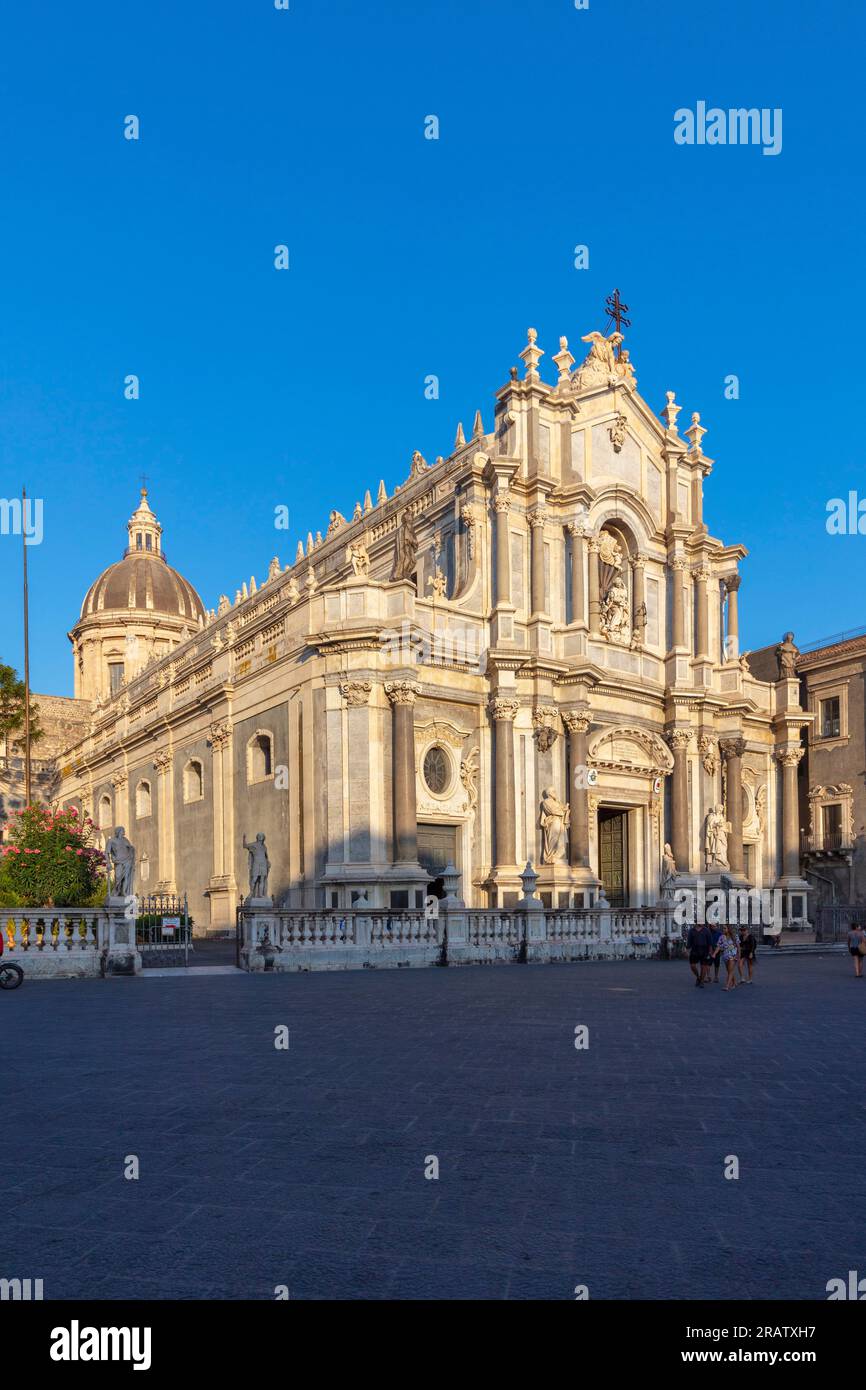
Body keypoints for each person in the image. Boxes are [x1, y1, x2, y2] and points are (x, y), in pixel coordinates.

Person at [686, 922, 712, 988]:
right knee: (692, 966)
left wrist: (710, 952)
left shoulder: (706, 930)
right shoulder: (691, 931)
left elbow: (710, 943)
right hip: (694, 950)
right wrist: (687, 951)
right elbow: (689, 942)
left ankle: (702, 981)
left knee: (703, 966)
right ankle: (698, 977)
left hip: (704, 950)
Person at [721, 925, 739, 992]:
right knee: (729, 971)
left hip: (733, 956)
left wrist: (738, 955)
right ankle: (734, 983)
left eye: (725, 928)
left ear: (728, 929)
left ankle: (727, 986)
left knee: (730, 971)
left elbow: (738, 947)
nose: (723, 929)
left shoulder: (735, 936)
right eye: (723, 928)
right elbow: (721, 946)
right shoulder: (722, 937)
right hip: (725, 956)